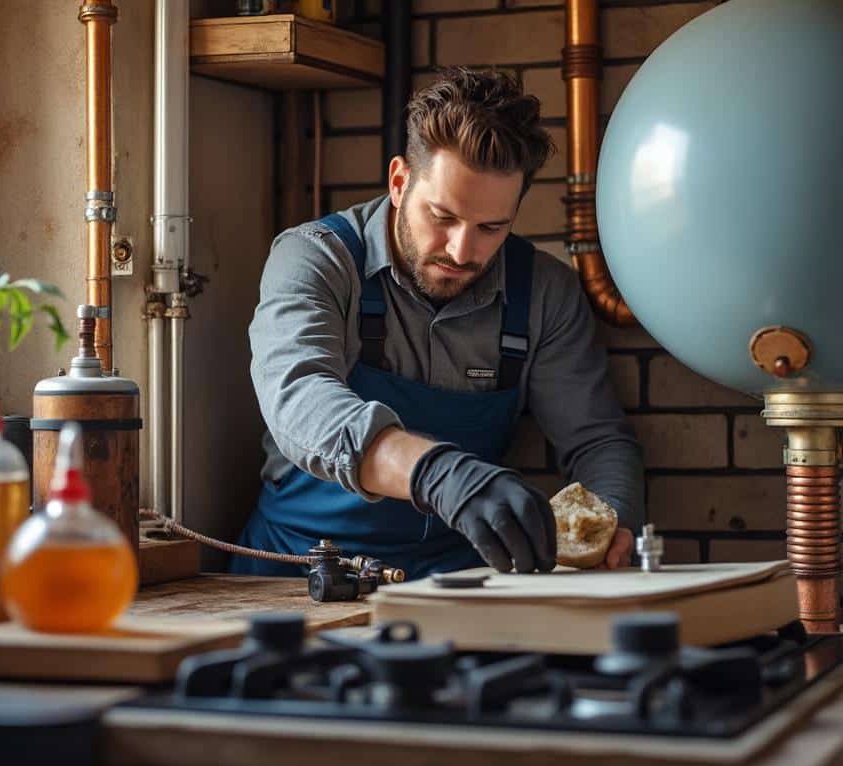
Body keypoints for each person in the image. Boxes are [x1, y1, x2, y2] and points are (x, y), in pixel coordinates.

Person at [234, 67, 643, 580]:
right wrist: (438, 472)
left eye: (492, 227)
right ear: (400, 182)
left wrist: (610, 523)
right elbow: (297, 394)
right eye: (443, 217)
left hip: (460, 581)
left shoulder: (544, 292)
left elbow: (596, 442)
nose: (462, 251)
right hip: (296, 570)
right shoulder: (315, 258)